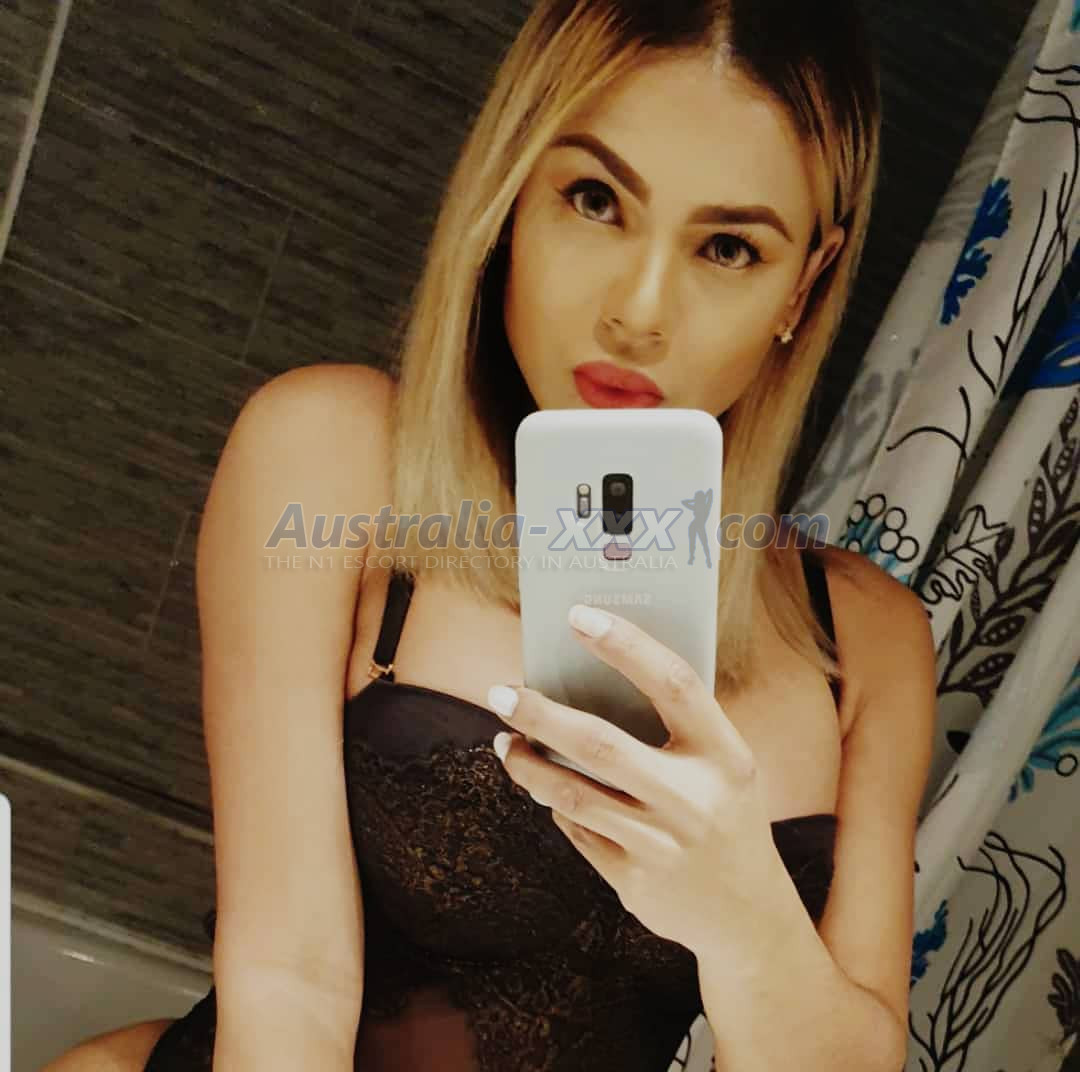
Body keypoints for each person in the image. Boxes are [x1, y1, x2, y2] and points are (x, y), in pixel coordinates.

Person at [46, 0, 939, 1069]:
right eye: (596, 199)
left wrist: (748, 922)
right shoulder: (336, 458)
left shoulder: (866, 643)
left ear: (805, 282)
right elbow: (289, 978)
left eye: (728, 247)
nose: (639, 310)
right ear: (514, 192)